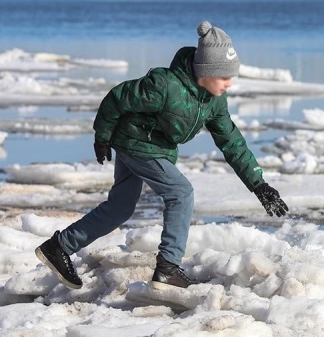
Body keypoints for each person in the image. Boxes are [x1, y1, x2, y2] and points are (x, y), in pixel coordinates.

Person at [34, 21, 289, 290]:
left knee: (120, 208)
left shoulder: (214, 101)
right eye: (224, 76)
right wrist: (102, 136)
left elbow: (232, 142)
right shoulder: (164, 86)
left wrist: (259, 185)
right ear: (206, 71)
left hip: (155, 148)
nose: (229, 83)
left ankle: (58, 247)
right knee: (181, 193)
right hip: (136, 143)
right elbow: (118, 97)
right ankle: (168, 268)